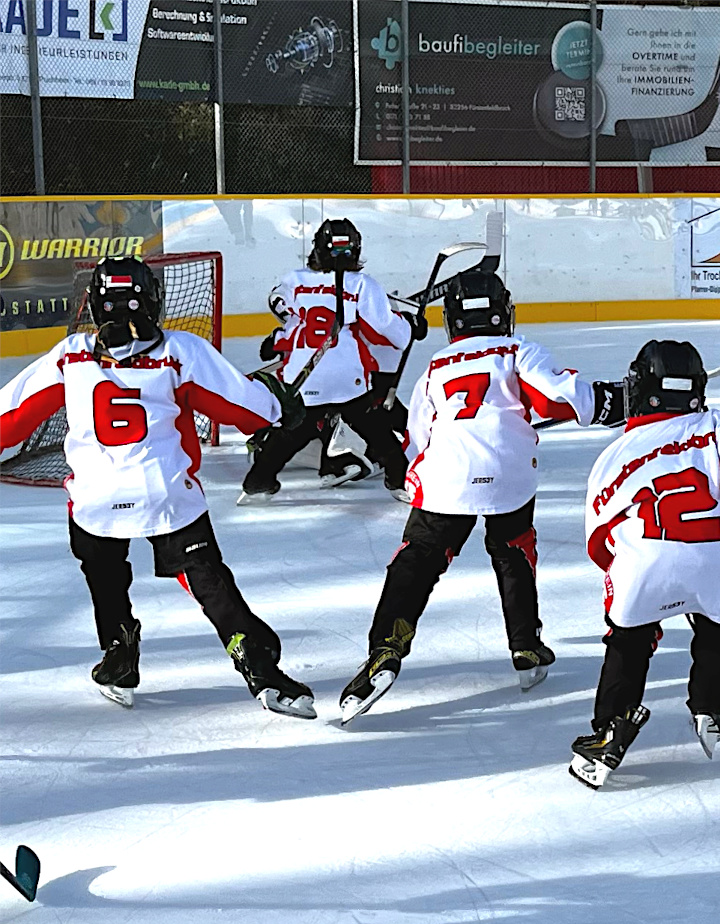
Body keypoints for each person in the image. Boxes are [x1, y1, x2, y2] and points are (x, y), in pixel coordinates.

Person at [0, 258, 316, 718]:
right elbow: (245, 411)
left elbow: (9, 419)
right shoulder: (180, 351)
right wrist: (276, 403)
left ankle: (119, 655)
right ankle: (258, 663)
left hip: (95, 500)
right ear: (151, 300)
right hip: (166, 494)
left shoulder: (71, 355)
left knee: (105, 573)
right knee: (207, 581)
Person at [338, 270, 618, 723]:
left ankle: (386, 648)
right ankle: (525, 646)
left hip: (446, 474)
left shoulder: (436, 366)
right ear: (503, 312)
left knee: (417, 560)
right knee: (514, 552)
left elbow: (417, 436)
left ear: (452, 321)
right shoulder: (517, 350)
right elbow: (557, 399)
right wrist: (614, 400)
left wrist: (415, 477)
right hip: (508, 473)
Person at [570, 340, 720, 789]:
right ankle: (709, 707)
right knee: (719, 618)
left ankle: (611, 730)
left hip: (646, 564)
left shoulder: (616, 452)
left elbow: (598, 539)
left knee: (628, 641)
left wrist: (629, 589)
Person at [241, 218, 428, 502]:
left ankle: (259, 480)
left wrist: (277, 339)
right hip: (347, 379)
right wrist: (410, 326)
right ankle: (399, 479)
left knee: (291, 433)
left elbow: (285, 313)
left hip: (304, 376)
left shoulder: (294, 280)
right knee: (375, 428)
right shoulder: (362, 284)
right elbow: (387, 329)